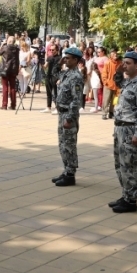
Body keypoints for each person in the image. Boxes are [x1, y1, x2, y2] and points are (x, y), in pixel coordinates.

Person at [108, 51, 137, 214]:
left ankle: (131, 200)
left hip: (130, 128)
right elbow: (117, 82)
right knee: (120, 164)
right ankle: (126, 194)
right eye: (123, 62)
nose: (124, 65)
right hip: (120, 127)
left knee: (130, 165)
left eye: (127, 63)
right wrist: (119, 71)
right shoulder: (129, 82)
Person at [52, 47, 85, 187]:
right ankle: (66, 170)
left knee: (69, 145)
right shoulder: (66, 73)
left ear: (76, 60)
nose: (66, 59)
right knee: (62, 144)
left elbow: (76, 100)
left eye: (69, 58)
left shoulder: (76, 77)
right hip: (62, 113)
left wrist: (70, 118)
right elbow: (53, 75)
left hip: (68, 115)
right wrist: (59, 62)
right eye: (65, 57)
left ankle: (70, 174)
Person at [0, 36, 21, 110]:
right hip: (13, 70)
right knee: (13, 87)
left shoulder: (5, 47)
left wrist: (2, 44)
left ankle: (4, 105)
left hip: (5, 69)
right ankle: (13, 105)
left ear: (9, 41)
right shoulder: (17, 49)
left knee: (5, 87)